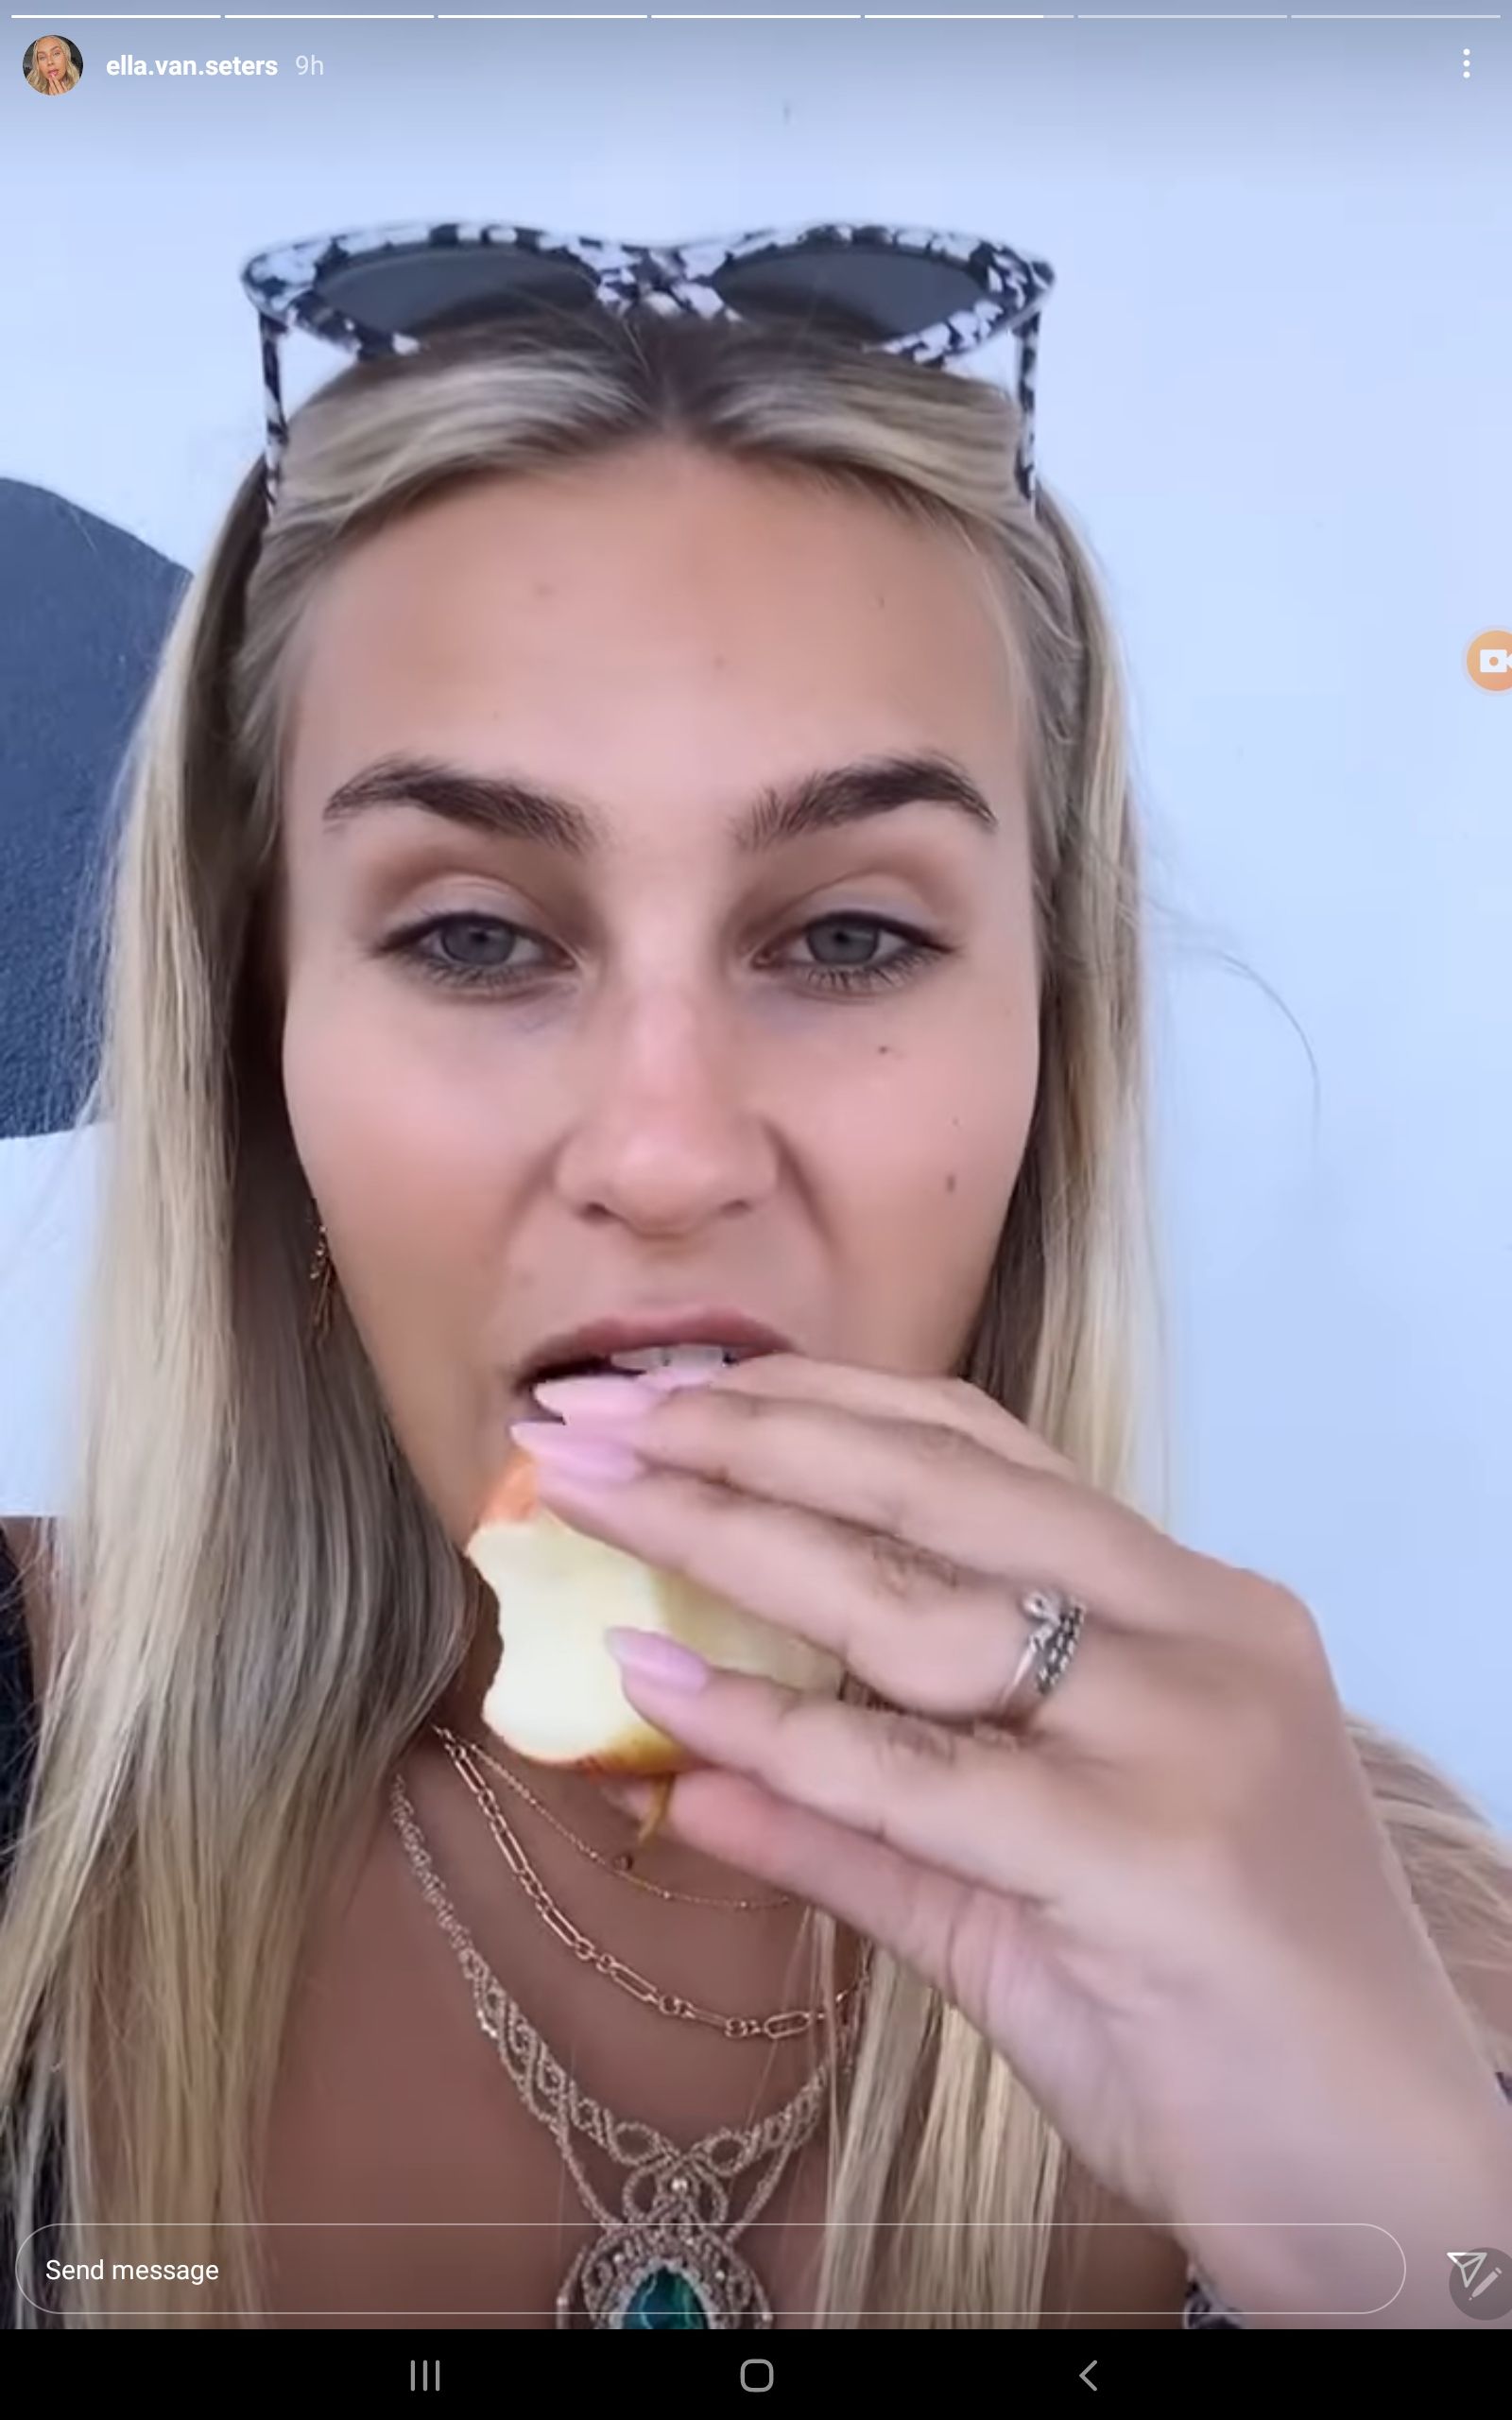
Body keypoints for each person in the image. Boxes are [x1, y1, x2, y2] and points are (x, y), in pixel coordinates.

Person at [1, 222, 1509, 2333]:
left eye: (850, 938)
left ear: (1048, 1047)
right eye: (471, 936)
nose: (668, 1153)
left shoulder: (1389, 1969)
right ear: (262, 1058)